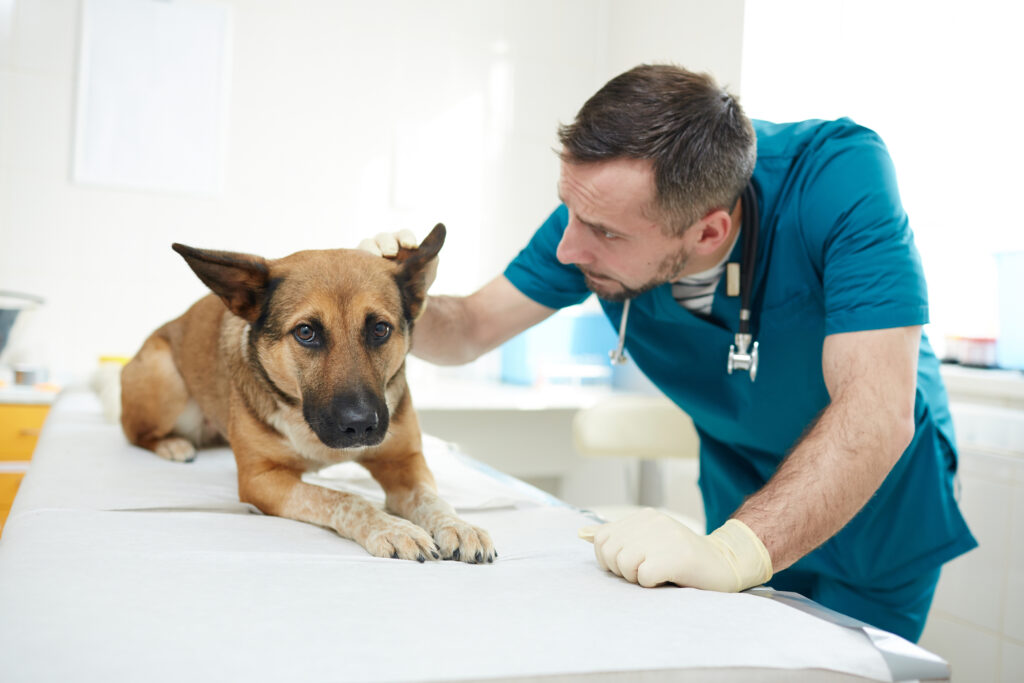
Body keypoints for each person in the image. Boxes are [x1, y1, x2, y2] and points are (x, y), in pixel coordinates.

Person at [362, 64, 976, 643]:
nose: (570, 249)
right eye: (569, 211)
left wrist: (735, 553)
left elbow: (875, 411)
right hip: (741, 495)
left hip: (878, 511)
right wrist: (396, 299)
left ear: (709, 232)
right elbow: (469, 328)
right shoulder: (599, 212)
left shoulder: (837, 179)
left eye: (603, 233)